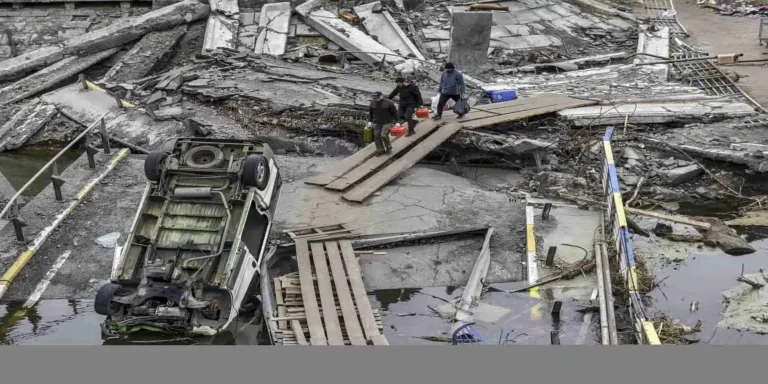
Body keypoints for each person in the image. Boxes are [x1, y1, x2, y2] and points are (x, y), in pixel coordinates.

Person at [368, 91, 398, 155]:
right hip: (376, 121)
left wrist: (397, 122)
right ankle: (380, 150)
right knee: (376, 135)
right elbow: (371, 112)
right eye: (375, 97)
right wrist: (370, 121)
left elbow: (395, 113)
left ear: (381, 96)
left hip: (387, 122)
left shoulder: (389, 103)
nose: (376, 99)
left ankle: (389, 148)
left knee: (383, 135)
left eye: (377, 97)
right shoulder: (372, 102)